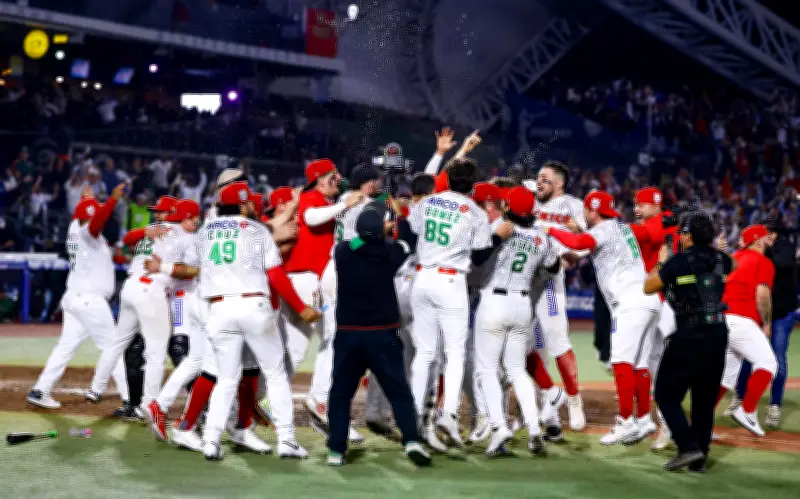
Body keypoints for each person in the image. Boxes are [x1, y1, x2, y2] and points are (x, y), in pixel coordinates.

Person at [408, 157, 513, 448]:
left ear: (449, 180)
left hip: (422, 277)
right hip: (451, 281)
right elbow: (479, 256)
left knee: (425, 352)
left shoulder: (428, 202)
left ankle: (414, 413)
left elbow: (411, 229)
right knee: (455, 353)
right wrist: (497, 237)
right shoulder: (475, 213)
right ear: (472, 183)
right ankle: (449, 413)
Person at [545, 190, 660, 446]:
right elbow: (580, 251)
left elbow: (577, 243)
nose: (584, 214)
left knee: (620, 361)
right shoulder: (620, 228)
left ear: (594, 212)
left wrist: (549, 230)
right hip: (649, 301)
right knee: (640, 366)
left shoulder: (603, 229)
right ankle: (643, 419)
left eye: (587, 209)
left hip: (629, 303)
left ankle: (624, 421)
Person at [326, 200, 431, 467]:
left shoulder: (343, 252)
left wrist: (374, 230)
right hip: (382, 335)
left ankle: (336, 450)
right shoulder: (392, 252)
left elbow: (358, 243)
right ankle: (411, 440)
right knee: (399, 391)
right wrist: (393, 222)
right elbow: (406, 236)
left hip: (349, 334)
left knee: (340, 394)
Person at [473, 187, 561, 456]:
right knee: (516, 369)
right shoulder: (541, 237)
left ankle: (499, 427)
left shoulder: (500, 225)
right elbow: (555, 267)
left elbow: (477, 257)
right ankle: (534, 429)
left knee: (486, 369)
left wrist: (499, 238)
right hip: (523, 303)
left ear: (508, 205)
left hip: (494, 301)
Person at [643, 211, 733, 472]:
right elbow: (732, 263)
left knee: (665, 394)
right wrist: (718, 251)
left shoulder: (678, 261)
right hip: (718, 332)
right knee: (704, 400)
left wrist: (661, 263)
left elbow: (649, 287)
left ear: (689, 236)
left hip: (689, 334)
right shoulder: (721, 259)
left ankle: (687, 446)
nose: (680, 237)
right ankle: (700, 459)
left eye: (683, 233)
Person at [27, 183, 130, 410]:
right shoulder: (87, 233)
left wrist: (88, 199)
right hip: (90, 302)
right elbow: (96, 222)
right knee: (112, 348)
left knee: (65, 347)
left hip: (74, 298)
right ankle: (130, 399)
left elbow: (88, 214)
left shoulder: (74, 226)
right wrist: (111, 200)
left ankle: (40, 389)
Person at [530, 160, 587, 432]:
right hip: (523, 280)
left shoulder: (572, 206)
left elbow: (586, 239)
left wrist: (567, 257)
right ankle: (547, 403)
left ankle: (574, 398)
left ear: (560, 183)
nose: (538, 182)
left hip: (550, 279)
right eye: (537, 177)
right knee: (532, 343)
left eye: (545, 178)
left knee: (557, 339)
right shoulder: (531, 198)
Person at [728, 217, 795, 428]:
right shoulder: (758, 259)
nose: (766, 237)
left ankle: (774, 405)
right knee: (760, 362)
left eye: (767, 232)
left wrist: (750, 249)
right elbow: (761, 293)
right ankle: (743, 404)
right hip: (752, 314)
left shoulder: (783, 247)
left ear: (774, 234)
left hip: (779, 313)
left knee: (775, 360)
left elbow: (783, 263)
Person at [716, 224, 778, 437]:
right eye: (767, 238)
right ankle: (748, 410)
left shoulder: (735, 257)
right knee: (768, 363)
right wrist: (766, 323)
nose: (770, 241)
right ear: (759, 241)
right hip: (742, 320)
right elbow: (762, 295)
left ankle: (698, 423)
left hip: (723, 320)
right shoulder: (763, 261)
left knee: (725, 377)